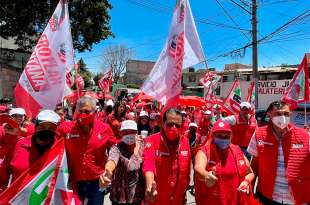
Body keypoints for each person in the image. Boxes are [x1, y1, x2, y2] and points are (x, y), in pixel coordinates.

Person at [247, 101, 310, 205]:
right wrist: (251, 186)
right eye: (278, 114)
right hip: (268, 197)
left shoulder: (305, 135)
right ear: (269, 115)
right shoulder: (258, 135)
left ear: (290, 114)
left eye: (286, 114)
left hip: (298, 199)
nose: (283, 117)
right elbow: (254, 165)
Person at [58, 96, 118, 205]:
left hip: (97, 182)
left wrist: (109, 169)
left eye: (87, 111)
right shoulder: (66, 128)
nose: (83, 114)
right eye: (80, 111)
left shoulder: (105, 129)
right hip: (74, 182)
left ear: (95, 112)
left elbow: (115, 149)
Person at [194, 119, 254, 205]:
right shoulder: (205, 151)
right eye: (219, 136)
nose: (223, 139)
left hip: (235, 201)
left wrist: (246, 181)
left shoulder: (237, 150)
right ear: (213, 136)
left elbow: (250, 173)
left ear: (231, 136)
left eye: (226, 136)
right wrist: (206, 175)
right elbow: (198, 169)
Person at [0, 109, 60, 193]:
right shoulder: (19, 145)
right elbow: (3, 172)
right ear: (36, 126)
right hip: (17, 200)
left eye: (51, 128)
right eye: (42, 127)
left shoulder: (61, 150)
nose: (46, 130)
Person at [143, 109, 191, 205]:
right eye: (170, 124)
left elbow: (187, 171)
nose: (173, 127)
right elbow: (148, 165)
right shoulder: (151, 141)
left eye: (177, 125)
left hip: (177, 200)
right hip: (157, 199)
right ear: (163, 123)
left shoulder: (185, 142)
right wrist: (149, 186)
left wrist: (184, 194)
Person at [99, 120, 145, 205]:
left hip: (137, 196)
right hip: (120, 197)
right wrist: (108, 171)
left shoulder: (143, 145)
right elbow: (112, 160)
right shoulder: (116, 148)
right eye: (125, 132)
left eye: (132, 131)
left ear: (137, 132)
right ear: (120, 133)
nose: (128, 134)